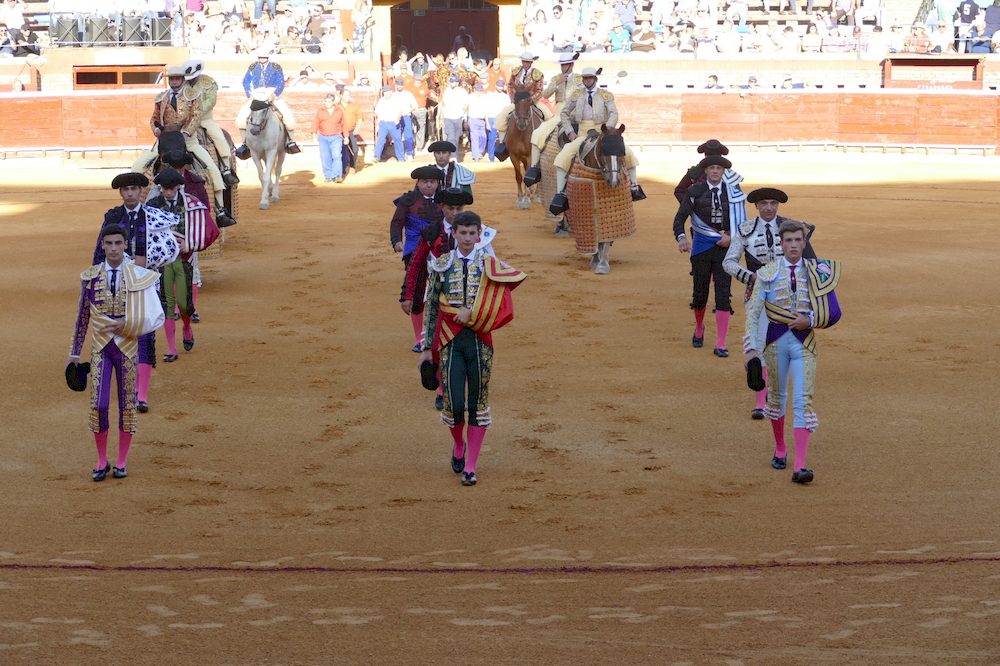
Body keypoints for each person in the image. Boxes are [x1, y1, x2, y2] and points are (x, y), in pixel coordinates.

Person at [418, 212, 526, 486]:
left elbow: (503, 299)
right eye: (462, 233)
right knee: (454, 404)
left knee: (477, 402)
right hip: (448, 340)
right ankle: (458, 444)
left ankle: (471, 465)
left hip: (480, 340)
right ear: (454, 233)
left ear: (479, 235)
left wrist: (473, 313)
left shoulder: (490, 265)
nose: (467, 238)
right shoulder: (441, 264)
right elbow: (431, 307)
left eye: (472, 233)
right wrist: (426, 348)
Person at [743, 220, 841, 484]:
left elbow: (834, 313)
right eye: (788, 241)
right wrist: (752, 351)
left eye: (798, 240)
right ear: (781, 243)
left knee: (803, 401)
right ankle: (780, 448)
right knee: (776, 399)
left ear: (804, 242)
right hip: (775, 343)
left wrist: (809, 321)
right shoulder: (767, 273)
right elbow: (753, 314)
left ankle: (799, 466)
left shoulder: (818, 271)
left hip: (804, 343)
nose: (794, 245)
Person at [70, 224, 165, 481]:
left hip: (127, 346)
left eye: (117, 244)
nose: (113, 248)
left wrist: (127, 324)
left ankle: (121, 461)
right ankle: (102, 460)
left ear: (125, 246)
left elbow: (154, 316)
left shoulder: (139, 275)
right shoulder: (90, 276)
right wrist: (74, 354)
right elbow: (82, 317)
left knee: (127, 406)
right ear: (102, 245)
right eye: (108, 244)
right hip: (100, 348)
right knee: (98, 405)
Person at [724, 187, 817, 419]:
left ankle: (784, 393)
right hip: (757, 292)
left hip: (789, 294)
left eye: (773, 203)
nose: (768, 207)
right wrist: (752, 277)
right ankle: (760, 400)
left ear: (778, 206)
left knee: (786, 344)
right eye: (764, 203)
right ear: (756, 206)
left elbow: (811, 261)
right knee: (757, 341)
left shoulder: (791, 228)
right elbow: (729, 262)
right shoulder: (745, 230)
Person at [132, 66, 236, 228]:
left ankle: (220, 211)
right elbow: (153, 118)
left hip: (189, 141)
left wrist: (187, 132)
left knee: (211, 169)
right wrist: (157, 129)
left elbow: (196, 115)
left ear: (182, 79)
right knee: (137, 167)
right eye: (171, 79)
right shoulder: (162, 98)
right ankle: (135, 207)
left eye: (177, 78)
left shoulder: (192, 96)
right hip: (165, 141)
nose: (174, 81)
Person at [548, 67, 644, 211]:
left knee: (628, 152)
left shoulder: (605, 95)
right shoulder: (577, 94)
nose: (587, 80)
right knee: (564, 155)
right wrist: (570, 132)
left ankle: (634, 186)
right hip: (582, 134)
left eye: (590, 78)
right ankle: (560, 194)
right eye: (585, 78)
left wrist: (607, 131)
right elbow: (564, 113)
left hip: (602, 131)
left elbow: (613, 113)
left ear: (595, 79)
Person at [672, 154, 740, 358]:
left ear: (723, 171)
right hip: (701, 249)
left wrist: (731, 237)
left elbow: (741, 222)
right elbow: (679, 219)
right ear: (706, 171)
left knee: (723, 294)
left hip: (725, 250)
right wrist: (682, 237)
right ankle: (699, 327)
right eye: (712, 168)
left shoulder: (734, 193)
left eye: (719, 168)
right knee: (700, 294)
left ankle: (721, 342)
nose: (715, 171)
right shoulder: (694, 191)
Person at [144, 168, 215, 362]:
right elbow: (146, 233)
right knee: (167, 304)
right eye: (164, 189)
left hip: (185, 259)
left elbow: (208, 230)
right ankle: (171, 348)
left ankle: (186, 326)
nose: (167, 193)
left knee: (183, 305)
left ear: (178, 187)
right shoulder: (152, 205)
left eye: (171, 189)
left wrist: (189, 243)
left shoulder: (191, 204)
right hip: (163, 261)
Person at [390, 165, 445, 350]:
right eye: (424, 182)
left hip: (440, 249)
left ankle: (439, 332)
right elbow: (397, 222)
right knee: (418, 290)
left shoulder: (444, 200)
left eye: (432, 182)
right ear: (418, 183)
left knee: (442, 289)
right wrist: (397, 241)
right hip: (414, 249)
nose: (428, 185)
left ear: (438, 183)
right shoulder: (408, 200)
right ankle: (419, 338)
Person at [520, 52, 582, 184]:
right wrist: (556, 83)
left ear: (571, 65)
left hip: (577, 112)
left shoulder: (579, 79)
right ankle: (535, 167)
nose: (563, 67)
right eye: (561, 64)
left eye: (565, 64)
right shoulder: (555, 78)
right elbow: (546, 95)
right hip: (559, 112)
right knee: (537, 133)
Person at [180, 59, 239, 188]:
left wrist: (196, 113)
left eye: (193, 77)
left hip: (204, 119)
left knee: (218, 137)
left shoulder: (208, 82)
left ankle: (226, 169)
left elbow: (210, 101)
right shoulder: (182, 83)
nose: (190, 80)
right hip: (185, 122)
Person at [235, 50, 300, 156]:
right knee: (241, 120)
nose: (262, 59)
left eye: (264, 57)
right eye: (260, 57)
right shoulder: (252, 67)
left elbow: (280, 83)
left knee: (288, 119)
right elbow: (245, 81)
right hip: (256, 95)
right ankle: (245, 145)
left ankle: (291, 142)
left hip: (272, 94)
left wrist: (274, 95)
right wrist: (249, 93)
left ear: (268, 57)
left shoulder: (275, 67)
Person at [493, 52, 551, 145]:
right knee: (501, 117)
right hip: (517, 102)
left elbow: (540, 90)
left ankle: (547, 144)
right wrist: (513, 99)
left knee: (549, 117)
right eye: (524, 61)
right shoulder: (516, 72)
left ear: (531, 62)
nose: (525, 64)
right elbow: (510, 86)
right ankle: (502, 143)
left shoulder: (538, 74)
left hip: (533, 102)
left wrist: (531, 99)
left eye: (527, 62)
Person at [315, 92, 345, 182]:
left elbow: (344, 124)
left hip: (336, 137)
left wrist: (346, 136)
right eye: (326, 101)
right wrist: (313, 134)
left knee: (336, 156)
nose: (327, 103)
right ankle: (328, 175)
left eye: (329, 101)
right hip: (323, 137)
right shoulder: (320, 111)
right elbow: (316, 122)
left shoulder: (339, 111)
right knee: (325, 156)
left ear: (333, 102)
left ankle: (337, 175)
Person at [439, 75, 470, 154]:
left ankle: (452, 153)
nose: (451, 84)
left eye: (453, 82)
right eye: (450, 82)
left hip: (458, 118)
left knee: (456, 138)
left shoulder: (463, 92)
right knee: (451, 137)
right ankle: (453, 156)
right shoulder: (447, 91)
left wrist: (465, 119)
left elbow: (466, 106)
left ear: (457, 83)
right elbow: (444, 105)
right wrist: (441, 118)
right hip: (448, 117)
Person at [374, 85, 404, 162]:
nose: (386, 93)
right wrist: (378, 124)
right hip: (383, 123)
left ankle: (400, 157)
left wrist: (397, 119)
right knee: (380, 139)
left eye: (388, 92)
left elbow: (400, 111)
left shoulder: (396, 100)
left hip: (393, 122)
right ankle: (376, 156)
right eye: (385, 92)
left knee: (397, 139)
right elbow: (377, 112)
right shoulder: (381, 100)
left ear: (391, 92)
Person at [391, 76, 419, 161]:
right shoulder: (392, 95)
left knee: (408, 136)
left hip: (406, 116)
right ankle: (400, 155)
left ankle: (410, 153)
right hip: (396, 117)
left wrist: (408, 110)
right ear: (395, 85)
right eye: (398, 85)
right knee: (397, 136)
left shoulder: (408, 94)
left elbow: (415, 106)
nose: (399, 86)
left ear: (403, 85)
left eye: (401, 85)